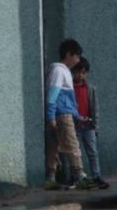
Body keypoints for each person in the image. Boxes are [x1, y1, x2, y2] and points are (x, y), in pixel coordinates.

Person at [44, 39, 95, 190]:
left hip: (63, 113)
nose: (78, 60)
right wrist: (51, 116)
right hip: (62, 115)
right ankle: (80, 176)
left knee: (54, 147)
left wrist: (78, 116)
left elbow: (67, 99)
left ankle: (51, 178)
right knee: (73, 144)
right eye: (77, 56)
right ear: (68, 54)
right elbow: (52, 95)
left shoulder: (64, 71)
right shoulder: (59, 70)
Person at [72, 57, 109, 189]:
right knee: (75, 152)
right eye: (78, 72)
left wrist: (95, 126)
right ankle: (76, 177)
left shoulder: (90, 88)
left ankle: (96, 176)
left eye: (83, 72)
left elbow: (95, 108)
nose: (80, 75)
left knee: (93, 152)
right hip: (74, 125)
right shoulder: (69, 87)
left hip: (88, 125)